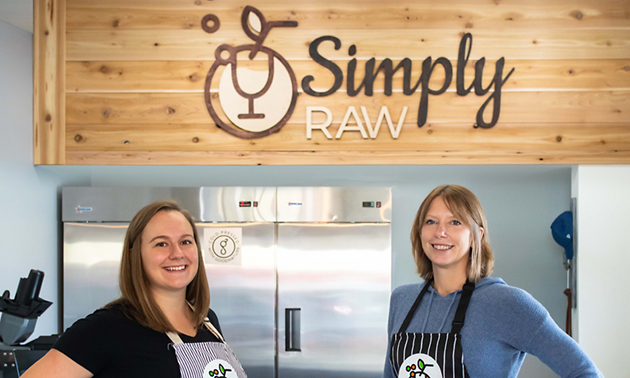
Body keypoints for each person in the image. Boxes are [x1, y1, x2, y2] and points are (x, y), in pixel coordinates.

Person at [384, 185, 602, 378]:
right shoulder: (402, 299)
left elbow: (584, 372)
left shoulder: (508, 303)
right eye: (431, 221)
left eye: (455, 222)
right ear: (419, 232)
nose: (440, 232)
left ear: (476, 235)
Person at [23, 201, 246, 378]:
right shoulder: (108, 327)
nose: (177, 253)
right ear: (135, 254)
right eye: (161, 243)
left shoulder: (206, 320)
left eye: (186, 242)